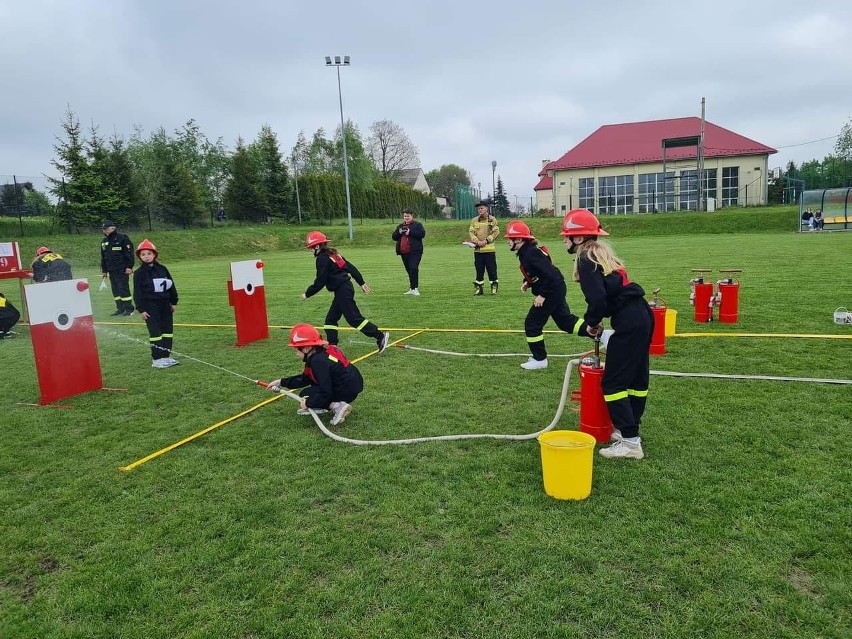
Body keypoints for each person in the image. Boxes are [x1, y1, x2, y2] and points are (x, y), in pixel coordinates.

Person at [561, 208, 653, 460]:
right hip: (641, 315)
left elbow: (598, 300)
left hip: (630, 320)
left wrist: (591, 323)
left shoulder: (585, 259)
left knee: (613, 383)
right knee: (635, 379)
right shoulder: (600, 255)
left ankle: (631, 442)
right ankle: (628, 430)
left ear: (578, 238)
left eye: (567, 236)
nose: (564, 240)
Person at [505, 220, 595, 370]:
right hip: (556, 289)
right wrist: (528, 282)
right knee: (565, 322)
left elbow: (551, 274)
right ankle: (602, 335)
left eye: (509, 239)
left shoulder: (530, 253)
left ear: (519, 239)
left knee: (532, 323)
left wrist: (542, 295)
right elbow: (538, 272)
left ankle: (539, 359)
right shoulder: (526, 251)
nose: (508, 242)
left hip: (552, 290)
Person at [302, 231, 390, 353]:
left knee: (354, 319)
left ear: (317, 246)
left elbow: (320, 281)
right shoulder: (333, 255)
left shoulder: (322, 258)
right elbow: (350, 267)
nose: (310, 251)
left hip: (343, 290)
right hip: (343, 289)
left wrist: (307, 293)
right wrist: (361, 283)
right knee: (330, 320)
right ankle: (332, 347)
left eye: (310, 248)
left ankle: (380, 336)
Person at [267, 323, 364, 426]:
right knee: (308, 391)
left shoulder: (318, 362)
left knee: (308, 395)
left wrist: (308, 403)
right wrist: (281, 382)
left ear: (306, 348)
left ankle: (338, 406)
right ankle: (321, 406)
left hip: (346, 390)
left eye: (296, 349)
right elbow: (305, 379)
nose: (296, 353)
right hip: (352, 385)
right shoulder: (322, 353)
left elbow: (326, 391)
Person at [133, 239, 179, 368]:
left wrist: (173, 302)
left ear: (154, 255)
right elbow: (137, 293)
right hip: (150, 306)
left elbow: (171, 286)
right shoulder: (139, 273)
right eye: (143, 254)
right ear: (139, 257)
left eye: (149, 253)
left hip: (165, 305)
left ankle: (166, 356)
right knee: (155, 332)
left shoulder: (163, 269)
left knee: (167, 331)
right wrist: (141, 309)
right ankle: (157, 358)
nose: (146, 257)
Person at [100, 220, 135, 316]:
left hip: (122, 269)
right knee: (115, 290)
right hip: (111, 270)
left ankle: (129, 308)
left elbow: (129, 254)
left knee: (123, 288)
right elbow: (103, 257)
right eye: (103, 229)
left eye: (106, 228)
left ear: (113, 228)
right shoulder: (104, 241)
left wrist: (129, 267)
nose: (104, 231)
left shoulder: (122, 238)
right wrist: (104, 270)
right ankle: (120, 308)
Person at [391, 209, 426, 296]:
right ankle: (412, 288)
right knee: (409, 270)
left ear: (412, 216)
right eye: (405, 216)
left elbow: (422, 234)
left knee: (413, 268)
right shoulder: (400, 226)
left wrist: (410, 232)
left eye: (408, 216)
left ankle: (415, 289)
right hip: (404, 252)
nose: (406, 217)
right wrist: (399, 232)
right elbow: (394, 237)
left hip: (415, 252)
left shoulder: (417, 225)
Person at [468, 201, 500, 295]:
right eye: (478, 209)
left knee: (492, 269)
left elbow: (496, 232)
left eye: (481, 208)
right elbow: (471, 232)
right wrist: (476, 241)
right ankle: (479, 288)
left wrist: (486, 241)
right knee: (479, 270)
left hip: (489, 250)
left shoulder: (492, 220)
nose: (480, 210)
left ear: (486, 208)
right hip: (478, 250)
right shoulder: (474, 220)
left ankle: (494, 286)